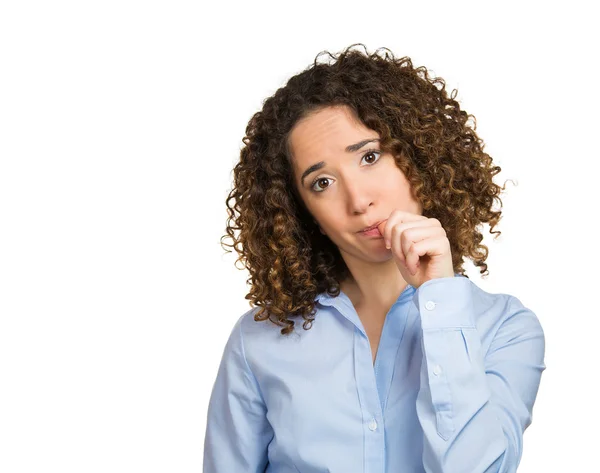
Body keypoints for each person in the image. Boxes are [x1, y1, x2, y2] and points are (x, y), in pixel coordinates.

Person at [203, 44, 546, 473]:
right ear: (300, 210)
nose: (359, 200)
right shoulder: (259, 341)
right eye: (322, 182)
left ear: (417, 156)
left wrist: (440, 299)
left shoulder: (505, 330)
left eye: (369, 156)